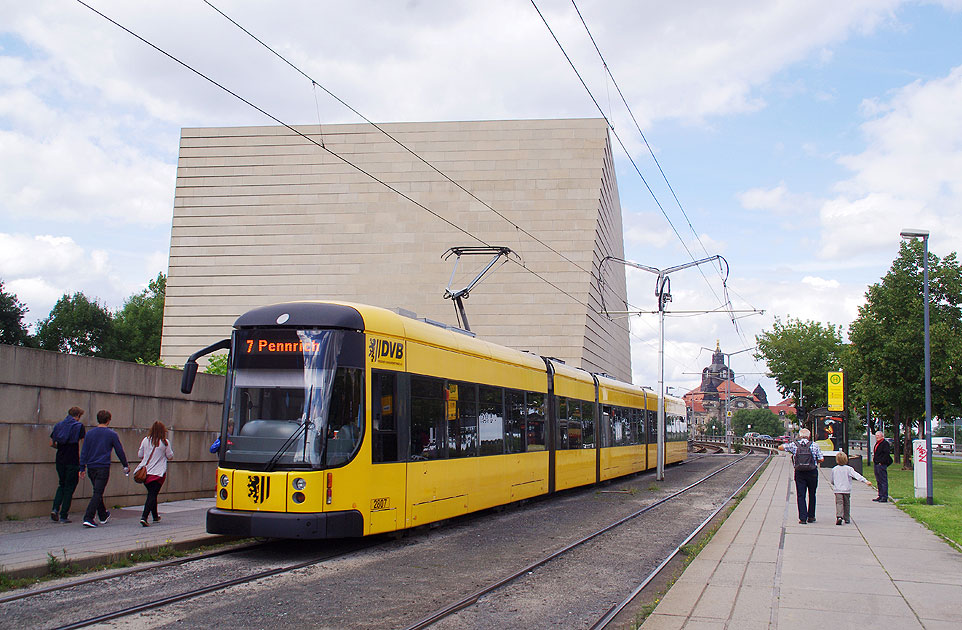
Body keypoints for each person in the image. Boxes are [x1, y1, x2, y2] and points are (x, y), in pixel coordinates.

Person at [79, 410, 129, 528]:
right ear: (108, 420)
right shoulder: (111, 434)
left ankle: (103, 515)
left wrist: (82, 467)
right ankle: (88, 517)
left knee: (97, 490)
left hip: (91, 466)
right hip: (103, 466)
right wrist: (125, 465)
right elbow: (119, 450)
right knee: (98, 492)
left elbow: (84, 451)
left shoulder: (90, 434)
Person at [779, 428, 824, 524]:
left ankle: (803, 518)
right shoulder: (815, 445)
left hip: (799, 472)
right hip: (812, 472)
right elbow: (821, 459)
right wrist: (814, 460)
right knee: (812, 494)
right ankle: (811, 516)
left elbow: (781, 447)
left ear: (799, 436)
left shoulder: (794, 445)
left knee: (801, 495)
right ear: (809, 435)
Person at [49, 407, 86, 523]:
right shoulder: (79, 426)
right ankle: (64, 515)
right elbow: (83, 444)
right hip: (72, 459)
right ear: (78, 416)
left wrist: (60, 447)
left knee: (62, 484)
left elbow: (51, 443)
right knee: (70, 487)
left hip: (60, 459)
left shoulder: (58, 425)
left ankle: (55, 509)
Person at [136, 421, 174, 527]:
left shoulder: (145, 440)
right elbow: (170, 456)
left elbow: (140, 455)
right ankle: (144, 517)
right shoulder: (165, 442)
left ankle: (155, 516)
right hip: (158, 473)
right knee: (152, 495)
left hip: (145, 473)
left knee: (152, 494)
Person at [831, 451, 871, 525]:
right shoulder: (849, 469)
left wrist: (834, 484)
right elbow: (856, 475)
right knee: (846, 503)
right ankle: (846, 518)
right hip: (846, 489)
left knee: (839, 503)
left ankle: (839, 516)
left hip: (838, 489)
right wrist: (865, 481)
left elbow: (832, 480)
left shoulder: (834, 469)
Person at [872, 431, 893, 502]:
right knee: (878, 480)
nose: (877, 437)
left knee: (883, 480)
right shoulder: (877, 443)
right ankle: (880, 495)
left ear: (882, 436)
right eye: (876, 435)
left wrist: (882, 462)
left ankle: (884, 496)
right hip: (876, 464)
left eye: (878, 435)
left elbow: (886, 454)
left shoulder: (884, 444)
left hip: (881, 464)